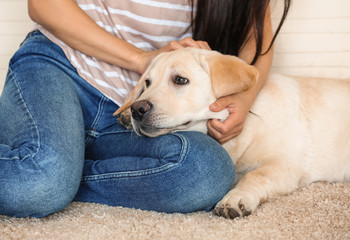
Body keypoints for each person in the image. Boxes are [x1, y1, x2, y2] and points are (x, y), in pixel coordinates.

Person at [0, 0, 290, 218]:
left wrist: (244, 95)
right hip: (61, 65)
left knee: (207, 171)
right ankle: (56, 170)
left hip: (138, 107)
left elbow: (258, 31)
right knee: (37, 183)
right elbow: (42, 4)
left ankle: (64, 169)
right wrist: (141, 59)